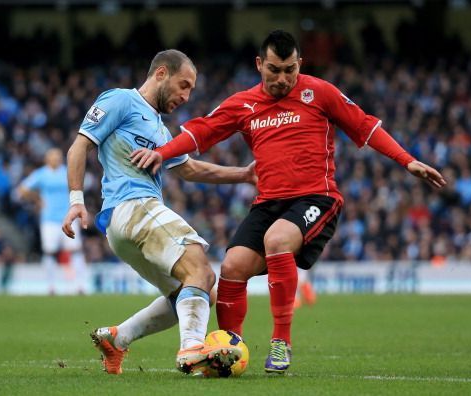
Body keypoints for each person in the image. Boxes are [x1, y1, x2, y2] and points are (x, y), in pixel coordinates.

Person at [131, 30, 447, 374]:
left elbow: (365, 126)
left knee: (277, 239)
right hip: (268, 203)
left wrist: (407, 160)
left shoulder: (320, 92)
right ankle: (229, 349)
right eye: (273, 70)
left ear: (300, 64)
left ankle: (281, 341)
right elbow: (199, 132)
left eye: (289, 70)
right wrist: (161, 153)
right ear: (258, 65)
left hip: (317, 197)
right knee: (233, 265)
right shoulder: (244, 103)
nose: (282, 79)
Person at [61, 49, 256, 375]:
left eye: (191, 90)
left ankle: (118, 338)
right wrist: (76, 200)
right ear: (162, 73)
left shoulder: (161, 130)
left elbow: (190, 169)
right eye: (184, 85)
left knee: (197, 292)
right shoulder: (120, 100)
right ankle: (192, 348)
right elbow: (80, 145)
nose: (186, 95)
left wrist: (244, 174)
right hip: (133, 207)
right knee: (201, 270)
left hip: (126, 226)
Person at [18, 148, 89, 295]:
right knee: (50, 252)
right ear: (47, 159)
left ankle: (80, 286)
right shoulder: (41, 174)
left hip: (69, 217)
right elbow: (22, 189)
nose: (56, 159)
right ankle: (51, 286)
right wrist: (37, 199)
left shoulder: (67, 172)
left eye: (58, 157)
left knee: (76, 251)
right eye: (53, 157)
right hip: (49, 219)